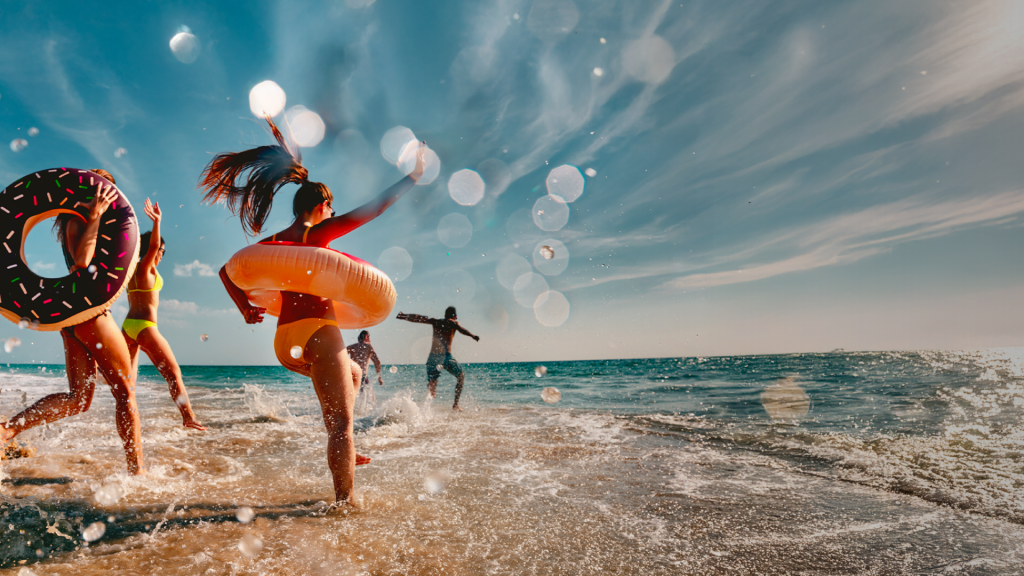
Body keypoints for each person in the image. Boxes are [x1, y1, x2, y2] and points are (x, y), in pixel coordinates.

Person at [200, 117, 428, 503]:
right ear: (322, 207)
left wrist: (245, 309)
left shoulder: (274, 241)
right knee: (340, 425)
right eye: (331, 209)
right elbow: (375, 208)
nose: (332, 214)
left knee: (353, 373)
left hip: (285, 340)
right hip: (318, 332)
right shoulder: (313, 234)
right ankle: (345, 505)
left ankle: (346, 452)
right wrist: (414, 176)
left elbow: (226, 271)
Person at [1, 170, 144, 474]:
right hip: (90, 316)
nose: (109, 200)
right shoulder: (79, 220)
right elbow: (82, 261)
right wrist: (95, 215)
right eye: (105, 193)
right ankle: (138, 473)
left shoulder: (88, 222)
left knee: (78, 400)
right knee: (125, 393)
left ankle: (6, 430)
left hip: (74, 320)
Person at [122, 198, 205, 430]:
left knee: (129, 385)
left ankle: (130, 423)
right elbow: (152, 246)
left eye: (163, 253)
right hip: (145, 326)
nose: (161, 255)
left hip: (128, 327)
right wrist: (157, 222)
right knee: (174, 373)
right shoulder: (144, 267)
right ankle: (188, 417)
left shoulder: (131, 270)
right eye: (161, 251)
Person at [396, 306, 479, 410]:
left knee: (432, 382)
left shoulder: (435, 321)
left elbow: (419, 318)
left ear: (445, 316)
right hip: (445, 356)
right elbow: (462, 330)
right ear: (456, 317)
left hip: (432, 357)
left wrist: (404, 316)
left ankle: (425, 405)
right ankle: (455, 404)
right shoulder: (453, 323)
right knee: (461, 376)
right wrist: (472, 336)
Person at [347, 331, 383, 407]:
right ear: (366, 336)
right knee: (371, 398)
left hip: (350, 377)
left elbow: (340, 357)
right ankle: (366, 417)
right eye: (369, 338)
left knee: (351, 398)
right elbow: (377, 361)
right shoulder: (368, 346)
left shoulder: (351, 347)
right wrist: (379, 378)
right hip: (362, 376)